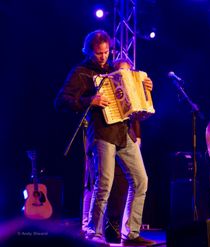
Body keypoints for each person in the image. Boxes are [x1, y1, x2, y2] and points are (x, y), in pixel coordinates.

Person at [55, 29, 155, 245]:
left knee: (141, 180)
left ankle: (132, 234)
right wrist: (88, 100)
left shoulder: (114, 71)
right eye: (99, 53)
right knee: (104, 184)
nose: (103, 56)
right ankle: (95, 233)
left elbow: (134, 103)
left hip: (123, 132)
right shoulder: (81, 72)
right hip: (101, 132)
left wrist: (145, 89)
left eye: (106, 52)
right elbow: (61, 100)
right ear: (89, 51)